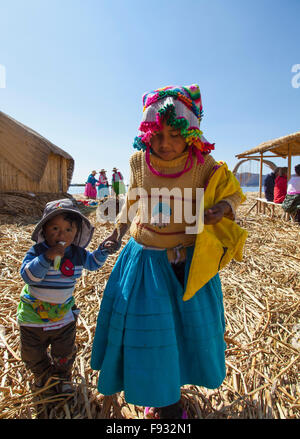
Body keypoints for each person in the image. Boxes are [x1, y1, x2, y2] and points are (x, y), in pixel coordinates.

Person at [90, 84, 247, 419]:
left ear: (190, 134)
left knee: (183, 330)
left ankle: (172, 388)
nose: (164, 143)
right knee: (149, 332)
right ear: (146, 133)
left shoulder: (204, 164)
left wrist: (223, 209)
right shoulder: (138, 161)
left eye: (174, 135)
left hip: (186, 263)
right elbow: (131, 199)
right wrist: (118, 232)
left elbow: (232, 195)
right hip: (144, 259)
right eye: (157, 134)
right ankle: (162, 399)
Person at [17, 199, 117, 395]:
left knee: (65, 352)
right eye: (55, 228)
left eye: (68, 230)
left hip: (63, 316)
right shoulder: (37, 251)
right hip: (33, 317)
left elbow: (93, 263)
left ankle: (62, 377)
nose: (61, 234)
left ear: (77, 232)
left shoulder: (77, 254)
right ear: (44, 230)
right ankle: (43, 376)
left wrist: (104, 249)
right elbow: (28, 276)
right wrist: (47, 258)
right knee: (31, 354)